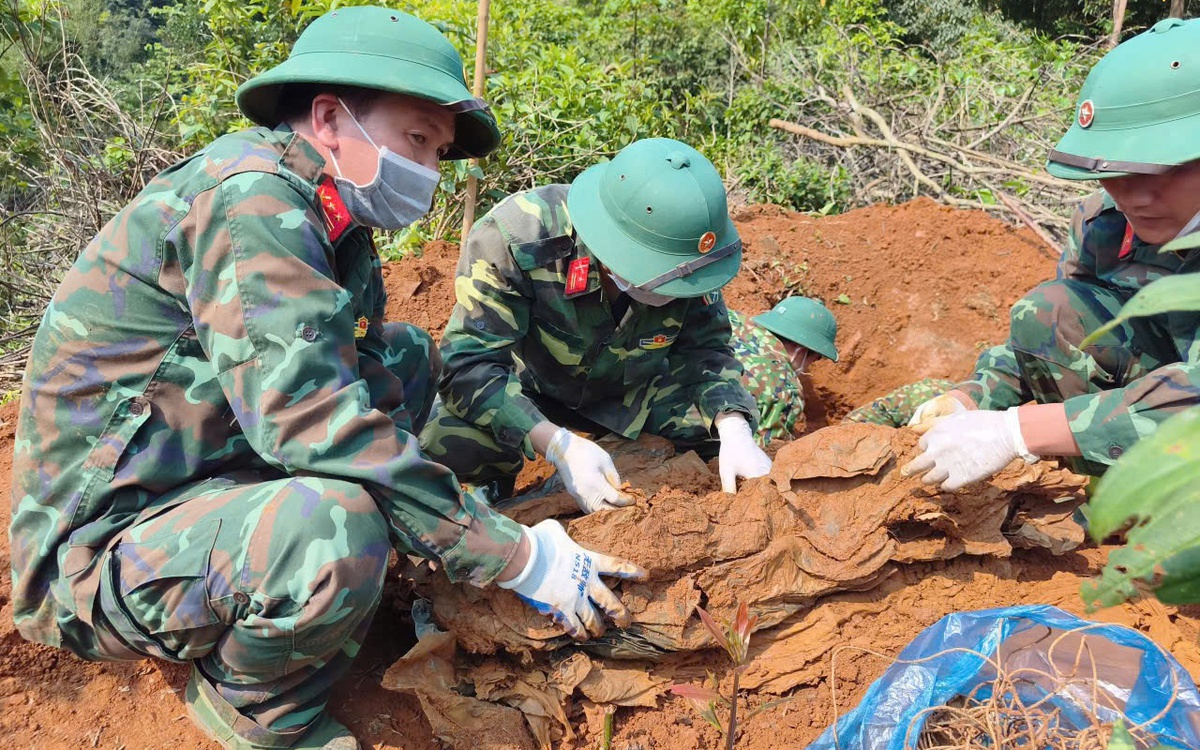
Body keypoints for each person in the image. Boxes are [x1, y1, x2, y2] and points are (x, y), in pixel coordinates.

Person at [8, 8, 644, 750]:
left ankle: (337, 568)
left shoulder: (332, 215)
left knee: (405, 358)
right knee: (333, 523)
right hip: (97, 551)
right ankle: (252, 707)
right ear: (329, 117)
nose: (430, 172)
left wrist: (453, 511)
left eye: (438, 152)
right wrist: (514, 554)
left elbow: (357, 381)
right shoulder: (253, 202)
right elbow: (309, 420)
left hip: (200, 460)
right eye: (417, 139)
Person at [904, 18, 1200, 491]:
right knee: (1048, 310)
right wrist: (971, 399)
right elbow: (1046, 344)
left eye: (1157, 169)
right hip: (1159, 409)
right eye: (1113, 172)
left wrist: (1020, 432)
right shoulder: (1106, 221)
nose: (1132, 196)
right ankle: (1121, 501)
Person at [419, 138, 772, 509]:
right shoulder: (518, 236)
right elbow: (467, 367)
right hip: (528, 389)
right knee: (448, 438)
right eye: (662, 276)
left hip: (631, 394)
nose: (675, 291)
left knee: (721, 427)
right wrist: (558, 445)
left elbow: (707, 351)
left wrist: (733, 426)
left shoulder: (691, 256)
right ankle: (493, 497)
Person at [726, 297, 838, 444]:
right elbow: (766, 456)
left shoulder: (729, 319)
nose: (809, 366)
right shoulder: (785, 389)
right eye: (816, 359)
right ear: (800, 351)